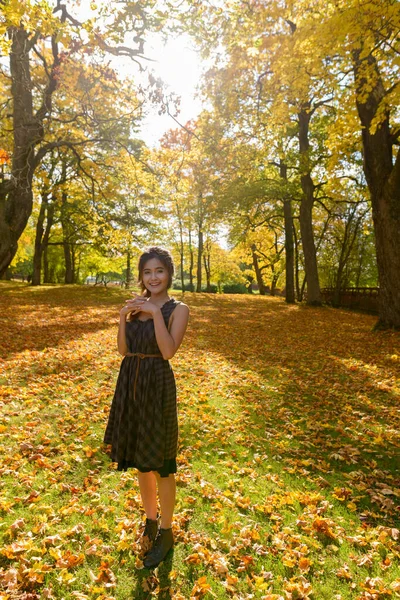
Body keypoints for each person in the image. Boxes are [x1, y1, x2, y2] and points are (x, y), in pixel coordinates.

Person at [103, 246, 189, 569]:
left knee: (163, 464)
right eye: (147, 272)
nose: (153, 277)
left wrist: (155, 314)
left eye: (159, 271)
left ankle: (166, 532)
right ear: (141, 275)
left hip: (157, 386)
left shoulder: (178, 309)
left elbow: (167, 352)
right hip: (131, 384)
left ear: (168, 274)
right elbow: (124, 350)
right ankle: (150, 520)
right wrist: (122, 317)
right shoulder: (135, 307)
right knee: (142, 461)